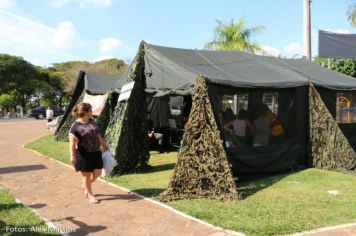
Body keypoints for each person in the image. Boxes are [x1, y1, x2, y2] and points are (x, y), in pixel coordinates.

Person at [69, 103, 109, 204]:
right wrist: (72, 156)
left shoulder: (92, 121)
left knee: (98, 172)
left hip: (96, 152)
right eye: (91, 110)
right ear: (86, 112)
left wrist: (103, 144)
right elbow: (72, 143)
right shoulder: (75, 127)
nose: (92, 112)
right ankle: (91, 195)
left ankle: (86, 185)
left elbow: (97, 134)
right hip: (83, 154)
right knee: (86, 176)